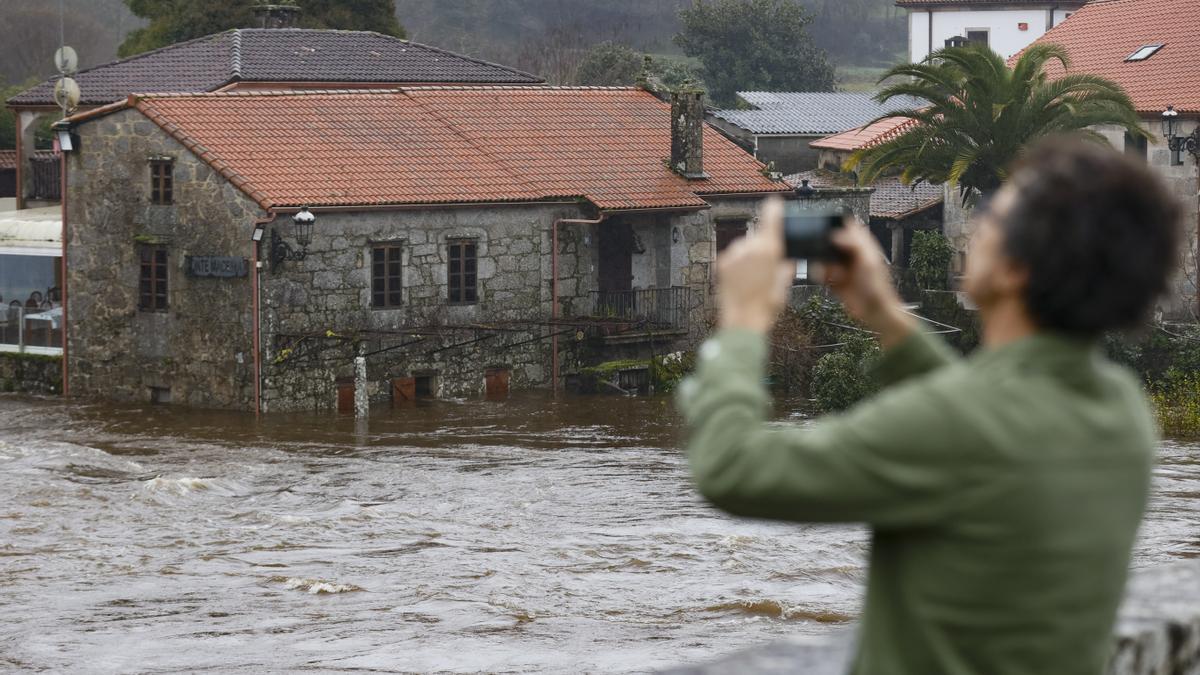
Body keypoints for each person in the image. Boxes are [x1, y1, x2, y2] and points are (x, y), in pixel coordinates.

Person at [677, 137, 1183, 674]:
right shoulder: (1121, 409)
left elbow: (731, 468)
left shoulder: (962, 423)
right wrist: (885, 315)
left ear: (1016, 270)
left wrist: (743, 322)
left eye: (993, 216)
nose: (978, 226)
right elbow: (988, 422)